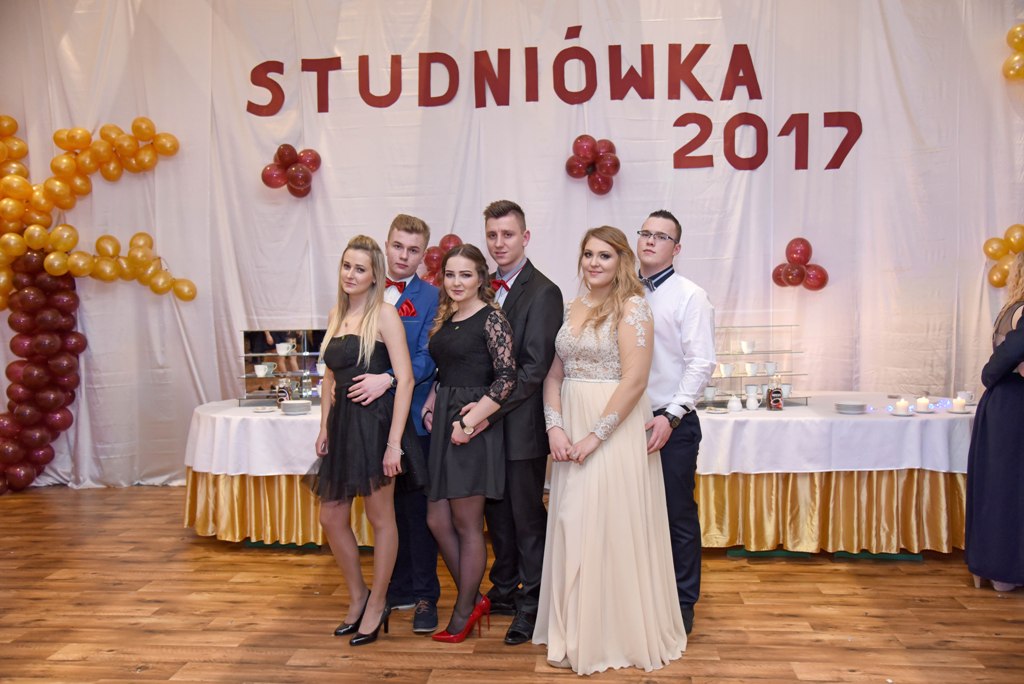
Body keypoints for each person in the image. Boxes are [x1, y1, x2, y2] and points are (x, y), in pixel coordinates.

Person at [534, 226, 686, 674]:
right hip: (570, 426)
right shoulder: (572, 306)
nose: (594, 263)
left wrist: (594, 436)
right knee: (572, 525)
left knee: (607, 526)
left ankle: (608, 635)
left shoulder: (633, 307)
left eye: (604, 255)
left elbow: (635, 382)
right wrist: (555, 427)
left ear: (621, 260)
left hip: (612, 431)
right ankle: (573, 630)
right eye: (588, 255)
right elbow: (553, 376)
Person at [313, 235, 426, 646]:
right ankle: (358, 594)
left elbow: (406, 379)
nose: (351, 274)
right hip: (343, 427)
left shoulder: (384, 315)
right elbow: (329, 378)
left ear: (374, 275)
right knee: (331, 517)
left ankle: (378, 603)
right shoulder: (336, 314)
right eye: (346, 265)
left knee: (381, 519)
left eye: (360, 268)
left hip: (376, 428)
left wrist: (395, 444)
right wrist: (324, 426)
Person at [345, 214, 441, 633]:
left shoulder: (432, 296)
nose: (403, 256)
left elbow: (429, 355)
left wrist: (389, 378)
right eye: (398, 246)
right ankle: (392, 590)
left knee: (417, 512)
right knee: (384, 512)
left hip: (413, 418)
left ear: (424, 255)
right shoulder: (361, 288)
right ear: (386, 245)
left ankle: (425, 596)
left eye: (413, 250)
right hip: (367, 422)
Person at [479, 200, 563, 645]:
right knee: (497, 514)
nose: (499, 243)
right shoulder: (482, 287)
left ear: (525, 237)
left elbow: (533, 370)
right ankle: (504, 587)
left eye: (508, 235)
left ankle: (534, 603)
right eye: (492, 235)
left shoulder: (544, 292)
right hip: (487, 426)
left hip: (520, 427)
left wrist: (485, 410)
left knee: (526, 518)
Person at [423, 243, 516, 643]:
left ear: (481, 277)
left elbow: (507, 378)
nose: (456, 282)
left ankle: (464, 611)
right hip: (445, 419)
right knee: (436, 519)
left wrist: (470, 421)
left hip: (472, 425)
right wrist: (432, 399)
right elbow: (447, 369)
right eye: (450, 274)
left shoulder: (492, 318)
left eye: (465, 274)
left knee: (466, 524)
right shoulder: (449, 316)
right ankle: (474, 598)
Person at [636, 209, 716, 635]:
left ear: (676, 248)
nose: (650, 241)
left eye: (661, 236)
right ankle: (643, 596)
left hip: (671, 422)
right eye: (645, 233)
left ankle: (683, 603)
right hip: (625, 422)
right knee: (633, 514)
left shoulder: (690, 295)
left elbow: (701, 362)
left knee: (676, 515)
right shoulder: (623, 291)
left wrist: (671, 415)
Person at [966, 250, 1024, 592]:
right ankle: (1003, 568)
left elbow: (1004, 359)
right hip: (1012, 405)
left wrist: (993, 374)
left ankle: (998, 568)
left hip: (1008, 404)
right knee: (1009, 485)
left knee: (1004, 484)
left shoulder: (1014, 310)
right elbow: (1003, 360)